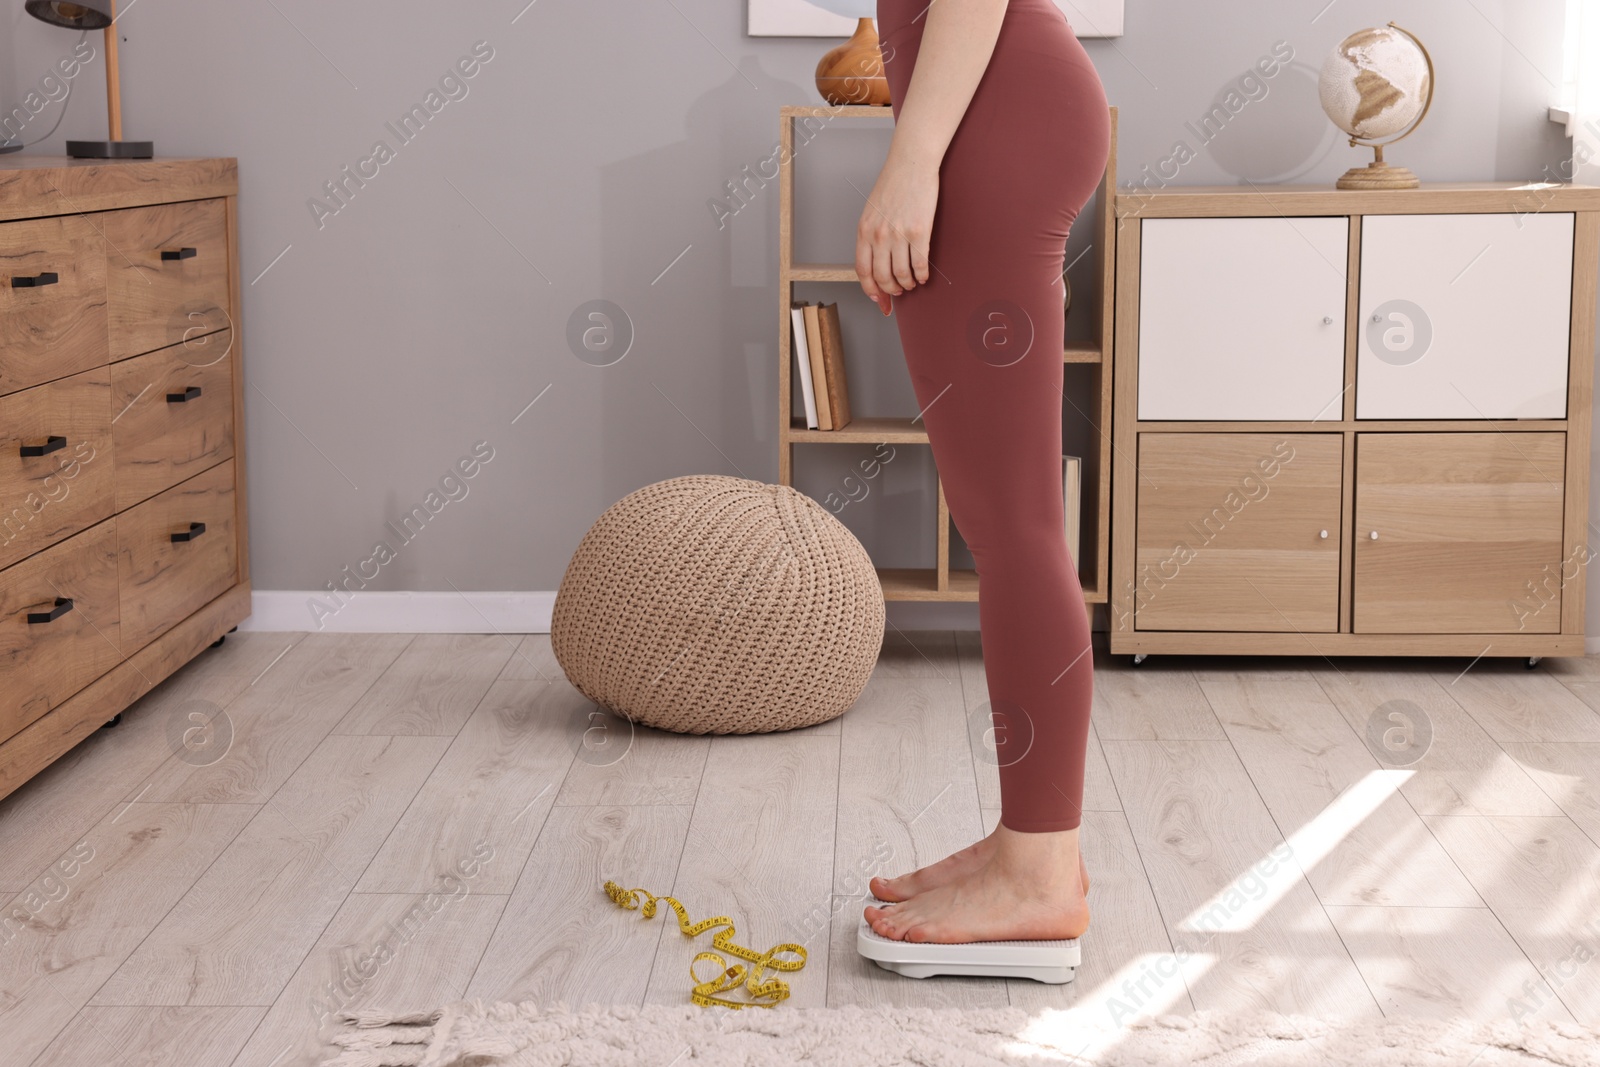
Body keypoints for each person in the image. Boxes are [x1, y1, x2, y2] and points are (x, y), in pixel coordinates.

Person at [856, 0, 1110, 944]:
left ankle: (1040, 868)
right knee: (1006, 521)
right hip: (997, 112)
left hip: (989, 123)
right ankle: (1026, 846)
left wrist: (914, 161)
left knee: (1015, 527)